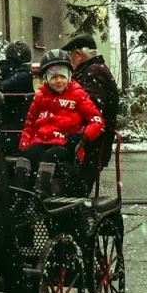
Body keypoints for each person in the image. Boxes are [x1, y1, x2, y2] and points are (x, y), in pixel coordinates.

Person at [19, 50, 105, 195]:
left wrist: (83, 136)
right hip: (42, 141)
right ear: (46, 79)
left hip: (65, 144)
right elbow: (30, 123)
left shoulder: (78, 95)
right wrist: (25, 143)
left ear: (69, 77)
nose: (58, 81)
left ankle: (41, 191)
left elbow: (97, 121)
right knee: (27, 156)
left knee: (50, 156)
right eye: (53, 77)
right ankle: (20, 190)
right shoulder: (40, 97)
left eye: (62, 77)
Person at [62, 32, 119, 179]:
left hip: (90, 146)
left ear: (79, 54)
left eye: (71, 55)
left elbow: (91, 108)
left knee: (74, 185)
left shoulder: (93, 72)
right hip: (90, 144)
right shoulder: (92, 71)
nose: (70, 60)